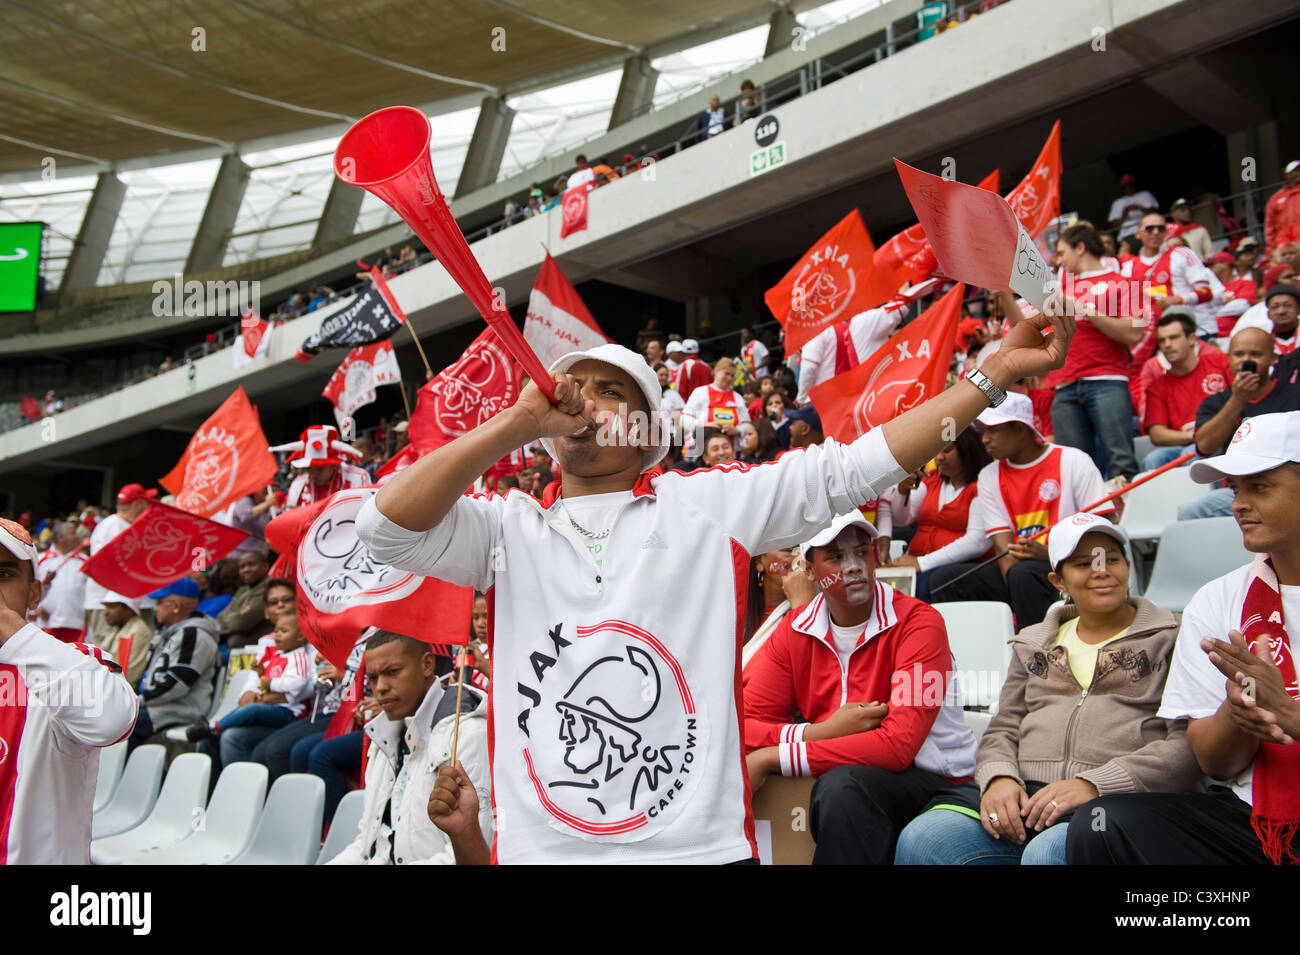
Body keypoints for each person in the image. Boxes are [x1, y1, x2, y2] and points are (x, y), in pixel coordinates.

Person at [355, 295, 1075, 863]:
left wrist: (992, 377)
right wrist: (514, 424)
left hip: (697, 851)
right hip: (546, 853)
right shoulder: (505, 526)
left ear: (648, 430)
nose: (580, 400)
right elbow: (383, 527)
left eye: (609, 391)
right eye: (570, 387)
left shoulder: (707, 504)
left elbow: (856, 466)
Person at [896, 513, 1200, 864]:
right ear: (1059, 580)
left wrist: (1095, 784)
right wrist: (999, 779)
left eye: (1111, 559)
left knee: (1049, 852)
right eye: (1084, 564)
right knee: (924, 837)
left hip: (1121, 802)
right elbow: (1003, 728)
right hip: (1030, 798)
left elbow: (1186, 746)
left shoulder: (1172, 638)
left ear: (1128, 567)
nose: (1101, 571)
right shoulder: (1033, 643)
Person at [1068, 412, 1300, 864]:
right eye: (1235, 488)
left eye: (1260, 486)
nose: (1238, 504)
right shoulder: (1217, 600)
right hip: (1257, 817)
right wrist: (1238, 713)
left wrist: (1287, 712)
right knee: (1104, 825)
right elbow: (1216, 765)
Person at [743, 511, 977, 864]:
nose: (853, 566)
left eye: (862, 552)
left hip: (938, 783)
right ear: (808, 571)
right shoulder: (795, 628)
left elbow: (898, 746)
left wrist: (772, 756)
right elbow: (746, 724)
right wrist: (820, 732)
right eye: (836, 557)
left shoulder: (921, 622)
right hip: (846, 778)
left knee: (842, 787)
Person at [0, 518, 138, 863]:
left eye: (3, 575)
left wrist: (12, 632)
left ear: (34, 594)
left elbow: (111, 722)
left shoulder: (78, 661)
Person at [926, 393, 1116, 628]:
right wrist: (1016, 583)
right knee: (943, 581)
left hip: (1074, 563)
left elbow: (1103, 534)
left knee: (1023, 575)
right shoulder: (989, 475)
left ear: (1020, 429)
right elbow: (1004, 549)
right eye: (983, 431)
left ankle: (1036, 653)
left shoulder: (1074, 460)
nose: (984, 440)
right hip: (1020, 571)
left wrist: (1048, 553)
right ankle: (984, 649)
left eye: (992, 431)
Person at [328, 631, 492, 866]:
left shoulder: (466, 735)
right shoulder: (381, 738)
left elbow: (471, 853)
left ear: (427, 664)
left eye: (392, 672)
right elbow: (367, 847)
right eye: (373, 678)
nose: (380, 687)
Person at [1048, 224, 1144, 481]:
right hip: (1064, 385)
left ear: (1080, 248)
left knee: (1121, 462)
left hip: (1107, 380)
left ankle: (1128, 520)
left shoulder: (1126, 284)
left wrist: (1087, 310)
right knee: (1073, 471)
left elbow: (1136, 332)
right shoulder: (1059, 290)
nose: (1058, 261)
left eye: (1061, 252)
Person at [1178, 326, 1300, 520]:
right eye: (1239, 354)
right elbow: (1204, 447)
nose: (1246, 360)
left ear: (1273, 359)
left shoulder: (1294, 394)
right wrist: (1238, 399)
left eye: (1256, 354)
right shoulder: (1216, 402)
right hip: (1240, 489)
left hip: (1286, 485)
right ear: (1229, 358)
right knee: (1192, 511)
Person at [186, 612, 313, 768]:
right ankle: (213, 787)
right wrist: (260, 674)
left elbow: (297, 684)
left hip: (291, 712)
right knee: (210, 739)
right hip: (270, 707)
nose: (277, 635)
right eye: (276, 631)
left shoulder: (300, 656)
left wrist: (270, 684)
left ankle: (213, 726)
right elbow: (261, 681)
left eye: (284, 631)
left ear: (300, 636)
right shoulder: (277, 654)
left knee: (248, 715)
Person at [890, 427, 993, 600]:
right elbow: (902, 520)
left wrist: (921, 563)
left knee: (925, 585)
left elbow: (978, 542)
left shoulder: (981, 486)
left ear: (968, 450)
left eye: (947, 450)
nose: (939, 457)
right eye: (936, 451)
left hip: (955, 569)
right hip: (917, 564)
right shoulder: (931, 481)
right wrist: (901, 492)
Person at [129, 578, 220, 746]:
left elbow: (178, 683)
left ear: (176, 606)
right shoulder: (168, 632)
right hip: (157, 704)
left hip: (180, 708)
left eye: (160, 602)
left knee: (121, 727)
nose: (155, 608)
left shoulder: (194, 634)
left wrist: (137, 701)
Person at [1139, 308, 1230, 470]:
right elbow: (1157, 434)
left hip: (1223, 439)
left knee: (1192, 454)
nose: (1167, 345)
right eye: (1162, 340)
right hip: (1186, 443)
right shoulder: (1158, 386)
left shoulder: (1220, 362)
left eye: (1173, 338)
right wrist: (1197, 436)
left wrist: (1209, 435)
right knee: (1153, 460)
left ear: (1192, 339)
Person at [82, 484, 154, 646]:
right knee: (106, 655)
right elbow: (112, 567)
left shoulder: (121, 525)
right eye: (146, 501)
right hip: (109, 604)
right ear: (137, 504)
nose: (150, 505)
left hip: (120, 604)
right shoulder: (113, 526)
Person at [796, 303, 907, 407]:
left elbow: (809, 367)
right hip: (853, 391)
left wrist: (802, 399)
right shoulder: (844, 325)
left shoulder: (815, 331)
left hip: (829, 397)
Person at [273, 426, 369, 508]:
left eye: (319, 468)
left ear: (334, 464)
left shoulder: (358, 477)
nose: (313, 474)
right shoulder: (298, 484)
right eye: (309, 469)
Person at [682, 357, 749, 453]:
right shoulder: (700, 392)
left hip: (732, 453)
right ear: (716, 371)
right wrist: (706, 425)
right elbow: (683, 420)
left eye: (732, 376)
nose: (729, 378)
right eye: (726, 373)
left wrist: (737, 430)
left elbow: (747, 425)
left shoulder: (738, 398)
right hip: (701, 451)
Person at [34, 521, 86, 642]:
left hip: (76, 624)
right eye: (73, 533)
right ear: (61, 538)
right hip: (46, 623)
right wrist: (37, 608)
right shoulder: (41, 559)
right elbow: (31, 587)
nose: (77, 536)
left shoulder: (84, 562)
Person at [215, 549, 273, 648]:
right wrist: (236, 617)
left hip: (258, 649)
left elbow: (241, 623)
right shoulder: (242, 590)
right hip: (233, 648)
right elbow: (218, 620)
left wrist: (232, 618)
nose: (246, 569)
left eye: (252, 564)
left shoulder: (271, 587)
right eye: (242, 567)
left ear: (265, 566)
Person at [99, 596, 153, 685]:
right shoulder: (117, 628)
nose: (106, 612)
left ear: (129, 609)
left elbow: (129, 675)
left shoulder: (137, 632)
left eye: (112, 607)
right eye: (106, 607)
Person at [1107, 173, 1159, 240]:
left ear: (1134, 185)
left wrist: (1140, 208)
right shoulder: (1117, 203)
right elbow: (1115, 225)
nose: (1128, 188)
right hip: (1128, 235)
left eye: (1130, 185)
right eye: (1124, 187)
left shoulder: (1145, 194)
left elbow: (1155, 212)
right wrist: (1124, 214)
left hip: (1149, 230)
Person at [1264, 159, 1300, 252]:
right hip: (1284, 244)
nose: (1298, 173)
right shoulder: (1275, 198)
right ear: (1286, 175)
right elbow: (1269, 226)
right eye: (1294, 171)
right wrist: (1271, 248)